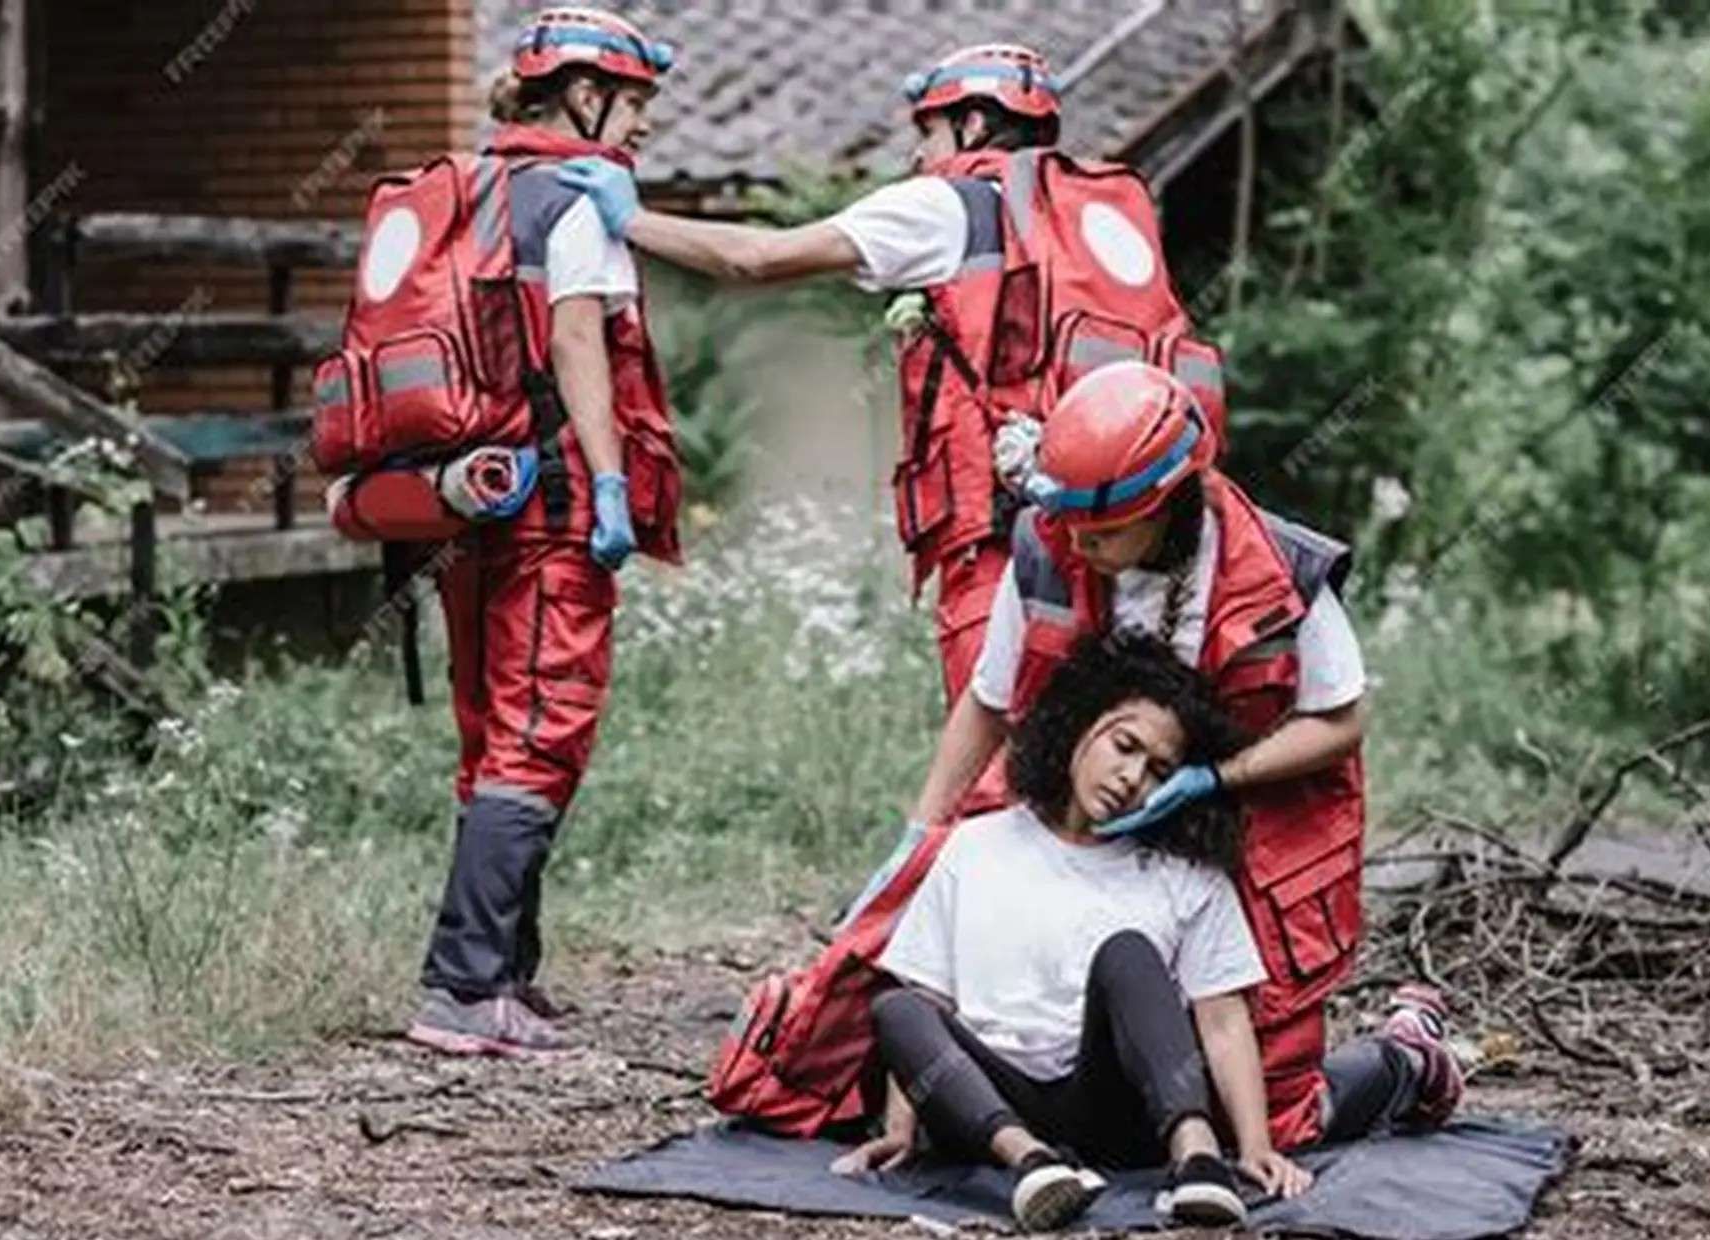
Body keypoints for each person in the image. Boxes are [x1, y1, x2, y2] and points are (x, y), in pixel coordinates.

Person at [899, 360, 1462, 1154]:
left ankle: (1407, 1057)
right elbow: (990, 702)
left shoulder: (1283, 570)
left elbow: (1339, 723)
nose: (1081, 545)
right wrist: (923, 832)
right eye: (1073, 525)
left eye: (1105, 532)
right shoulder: (1049, 545)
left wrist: (1211, 779)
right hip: (1095, 831)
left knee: (1262, 1115)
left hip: (1242, 830)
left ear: (1166, 506)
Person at [554, 43, 1213, 716]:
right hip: (1128, 532)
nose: (919, 156)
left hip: (1005, 538)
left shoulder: (947, 205)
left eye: (928, 134)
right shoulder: (1095, 217)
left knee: (1003, 743)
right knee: (1107, 738)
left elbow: (758, 258)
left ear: (973, 125)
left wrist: (632, 219)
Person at [833, 634, 1462, 1232]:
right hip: (989, 1109)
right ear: (1079, 725)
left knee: (1128, 953)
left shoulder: (1183, 875)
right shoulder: (977, 846)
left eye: (1159, 770)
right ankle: (1034, 1167)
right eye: (1124, 745)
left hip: (1115, 1108)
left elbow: (1223, 1021)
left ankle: (1197, 1160)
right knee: (897, 1007)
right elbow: (927, 1007)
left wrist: (1255, 1147)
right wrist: (901, 1129)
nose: (1132, 777)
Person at [331, 7, 686, 1056]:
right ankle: (463, 987)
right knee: (541, 730)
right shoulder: (578, 196)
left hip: (468, 497)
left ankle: (505, 977)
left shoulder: (473, 193)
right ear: (584, 95)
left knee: (493, 729)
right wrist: (611, 482)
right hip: (552, 502)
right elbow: (577, 341)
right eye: (634, 105)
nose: (642, 127)